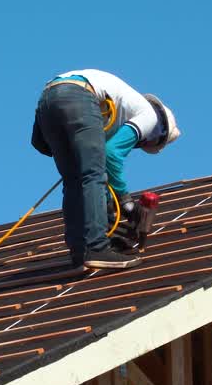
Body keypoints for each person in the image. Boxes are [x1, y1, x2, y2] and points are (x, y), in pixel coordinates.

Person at [31, 69, 180, 271]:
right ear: (157, 136)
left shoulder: (121, 110)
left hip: (48, 99)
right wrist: (126, 203)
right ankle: (97, 247)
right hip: (78, 96)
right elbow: (111, 154)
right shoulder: (151, 118)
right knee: (93, 175)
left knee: (74, 179)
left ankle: (80, 252)